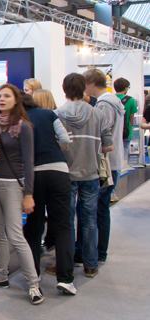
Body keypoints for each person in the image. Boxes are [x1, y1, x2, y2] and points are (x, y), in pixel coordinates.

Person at [0, 84, 43, 305]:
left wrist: (29, 194)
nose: (2, 99)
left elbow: (29, 162)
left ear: (16, 100)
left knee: (15, 235)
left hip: (13, 185)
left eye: (7, 96)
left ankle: (33, 284)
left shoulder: (23, 127)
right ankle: (1, 276)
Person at [54, 73, 113, 279]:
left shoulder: (57, 114)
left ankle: (67, 264)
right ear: (84, 88)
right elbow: (109, 145)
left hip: (66, 173)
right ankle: (90, 265)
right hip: (91, 173)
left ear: (64, 89)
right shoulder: (98, 114)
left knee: (67, 221)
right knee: (89, 220)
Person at [18, 93, 77, 295]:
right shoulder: (49, 114)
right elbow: (64, 139)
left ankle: (34, 275)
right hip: (58, 169)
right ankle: (66, 279)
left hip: (33, 174)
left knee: (34, 226)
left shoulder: (17, 119)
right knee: (62, 225)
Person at [83, 68, 124, 266]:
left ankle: (96, 254)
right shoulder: (113, 101)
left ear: (91, 83)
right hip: (112, 162)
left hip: (105, 163)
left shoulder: (104, 104)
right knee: (101, 209)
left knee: (96, 211)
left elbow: (103, 134)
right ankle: (99, 253)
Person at [114, 78, 137, 168]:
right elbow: (131, 118)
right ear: (126, 88)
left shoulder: (111, 99)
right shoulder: (131, 100)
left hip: (113, 131)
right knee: (122, 156)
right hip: (126, 132)